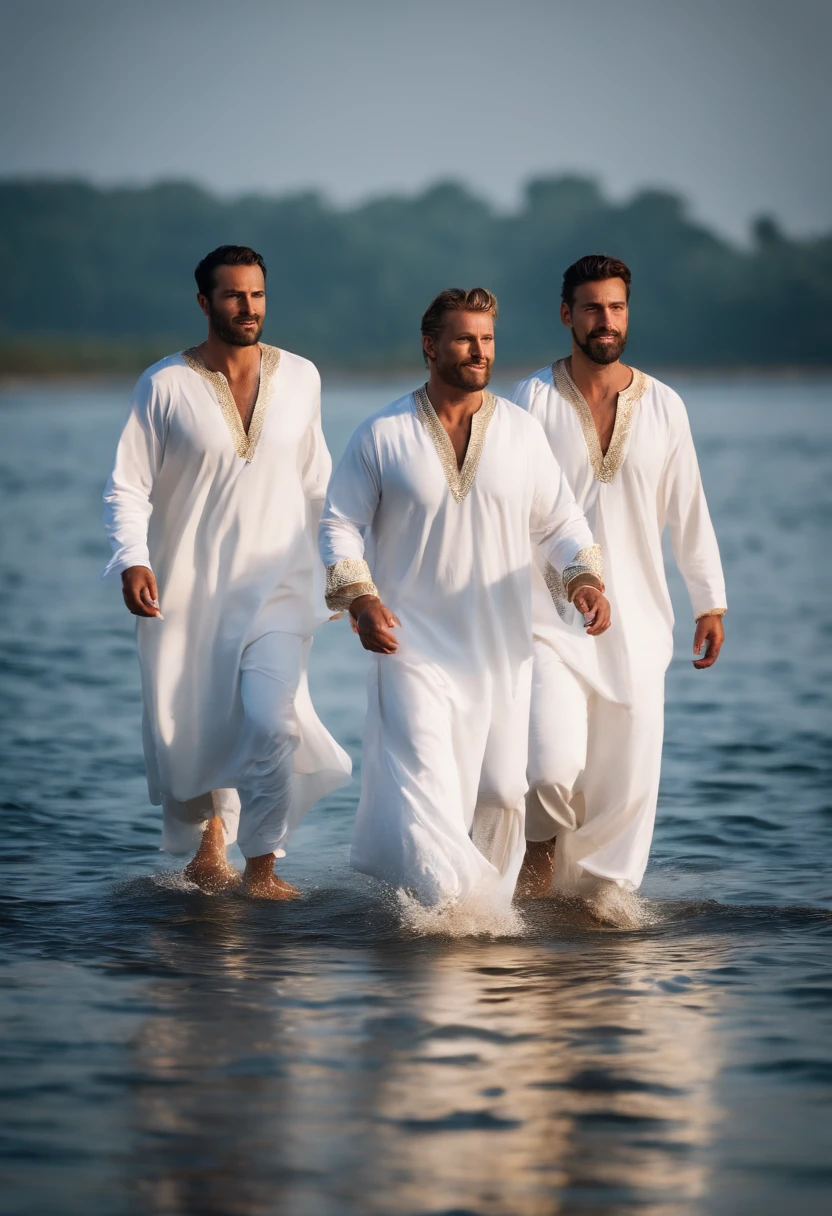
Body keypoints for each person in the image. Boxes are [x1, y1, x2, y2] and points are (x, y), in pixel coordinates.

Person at [318, 288, 610, 909]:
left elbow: (561, 523)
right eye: (464, 339)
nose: (480, 351)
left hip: (500, 653)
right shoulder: (382, 434)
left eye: (487, 339)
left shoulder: (522, 434)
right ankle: (449, 914)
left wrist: (583, 578)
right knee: (429, 784)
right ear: (430, 346)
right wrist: (360, 599)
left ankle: (484, 916)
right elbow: (338, 522)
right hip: (412, 647)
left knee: (503, 794)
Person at [103, 245, 350, 899]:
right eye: (235, 295)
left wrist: (343, 574)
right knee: (197, 726)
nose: (249, 307)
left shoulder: (301, 377)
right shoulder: (164, 386)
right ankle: (211, 842)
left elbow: (319, 484)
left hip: (279, 588)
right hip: (187, 591)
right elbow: (127, 487)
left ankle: (263, 866)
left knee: (273, 721)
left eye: (258, 294)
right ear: (204, 302)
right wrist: (133, 559)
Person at [511, 254, 726, 922]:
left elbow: (688, 510)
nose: (606, 321)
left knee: (623, 786)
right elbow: (494, 507)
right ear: (565, 314)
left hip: (638, 627)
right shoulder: (529, 401)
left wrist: (708, 599)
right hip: (545, 620)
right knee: (549, 765)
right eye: (593, 308)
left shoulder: (663, 406)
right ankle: (538, 853)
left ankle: (594, 911)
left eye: (617, 307)